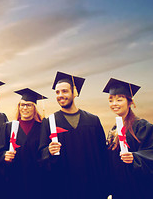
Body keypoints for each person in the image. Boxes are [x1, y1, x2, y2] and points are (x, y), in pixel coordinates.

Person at [38, 71, 108, 199]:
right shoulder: (50, 122)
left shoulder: (93, 121)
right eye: (57, 92)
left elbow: (103, 155)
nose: (60, 95)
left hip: (92, 187)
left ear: (74, 93)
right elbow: (41, 152)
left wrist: (105, 186)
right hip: (64, 187)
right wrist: (49, 151)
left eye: (64, 91)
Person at [103, 78, 153, 198]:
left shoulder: (142, 126)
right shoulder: (113, 130)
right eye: (111, 100)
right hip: (120, 189)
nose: (114, 104)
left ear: (130, 102)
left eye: (119, 99)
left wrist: (134, 158)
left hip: (139, 189)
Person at [0, 88, 47, 199]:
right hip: (15, 180)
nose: (24, 108)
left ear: (34, 108)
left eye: (29, 105)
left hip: (38, 180)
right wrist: (4, 156)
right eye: (22, 105)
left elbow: (45, 153)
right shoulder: (8, 127)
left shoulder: (42, 128)